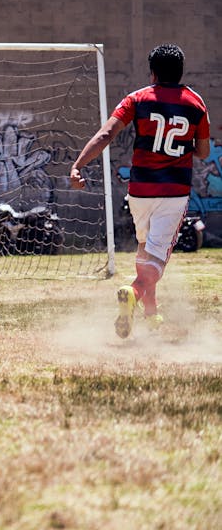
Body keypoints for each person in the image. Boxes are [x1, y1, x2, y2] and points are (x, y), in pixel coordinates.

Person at [69, 44, 210, 338]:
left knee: (145, 247)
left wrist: (78, 165)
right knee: (158, 257)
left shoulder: (138, 98)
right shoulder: (196, 104)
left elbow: (107, 133)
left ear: (153, 72)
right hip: (173, 193)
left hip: (139, 192)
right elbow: (203, 152)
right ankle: (133, 292)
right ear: (181, 70)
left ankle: (151, 312)